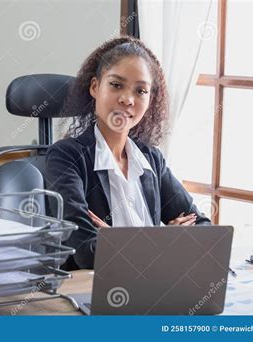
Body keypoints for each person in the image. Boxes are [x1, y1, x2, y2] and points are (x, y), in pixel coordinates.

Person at [45, 36, 211, 270]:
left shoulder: (151, 159)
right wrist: (167, 240)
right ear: (95, 87)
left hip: (152, 286)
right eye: (116, 85)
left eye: (141, 90)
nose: (127, 99)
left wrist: (118, 241)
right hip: (92, 292)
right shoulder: (65, 157)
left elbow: (204, 231)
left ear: (150, 99)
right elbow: (87, 253)